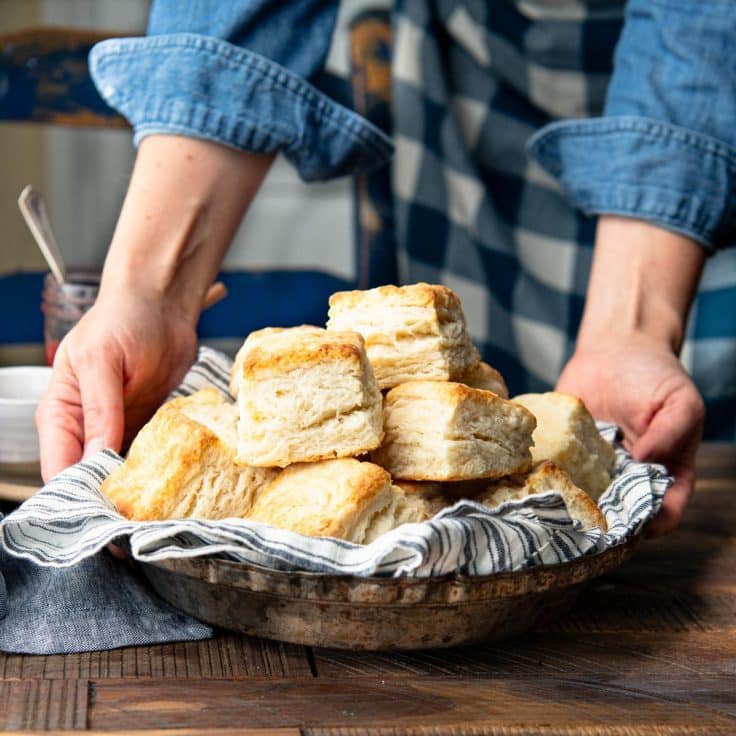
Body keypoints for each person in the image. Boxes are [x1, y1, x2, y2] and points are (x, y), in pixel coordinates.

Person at [37, 1, 736, 538]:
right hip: (480, 60)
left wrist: (635, 327)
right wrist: (150, 293)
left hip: (702, 106)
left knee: (606, 432)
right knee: (437, 410)